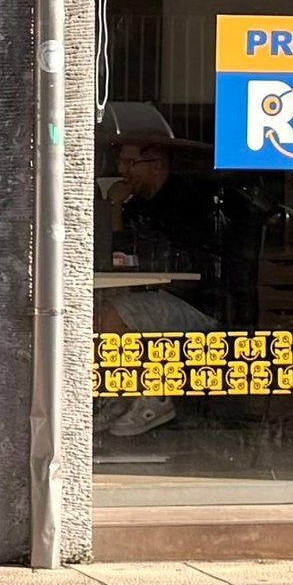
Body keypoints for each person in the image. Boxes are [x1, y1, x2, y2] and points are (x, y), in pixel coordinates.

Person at [96, 138, 219, 439]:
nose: (122, 171)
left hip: (198, 303)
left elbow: (150, 256)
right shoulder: (140, 202)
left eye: (129, 163)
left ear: (157, 166)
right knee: (100, 310)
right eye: (120, 163)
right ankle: (124, 395)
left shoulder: (182, 202)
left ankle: (155, 396)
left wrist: (115, 207)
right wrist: (115, 208)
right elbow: (122, 255)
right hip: (166, 294)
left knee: (113, 314)